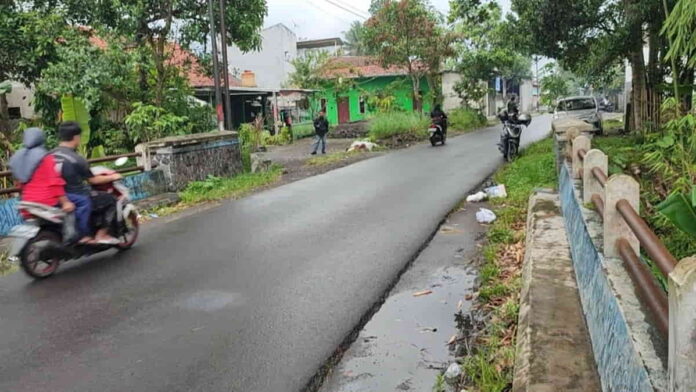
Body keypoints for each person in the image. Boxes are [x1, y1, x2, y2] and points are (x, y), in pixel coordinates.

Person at [52, 122, 122, 244]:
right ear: (75, 137)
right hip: (77, 195)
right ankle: (102, 234)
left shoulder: (50, 155)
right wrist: (113, 177)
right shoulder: (76, 159)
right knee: (111, 200)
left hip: (56, 196)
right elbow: (93, 180)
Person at [9, 128, 75, 215]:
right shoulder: (45, 157)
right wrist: (65, 202)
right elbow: (54, 181)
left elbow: (19, 183)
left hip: (27, 203)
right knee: (71, 212)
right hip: (46, 203)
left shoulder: (18, 157)